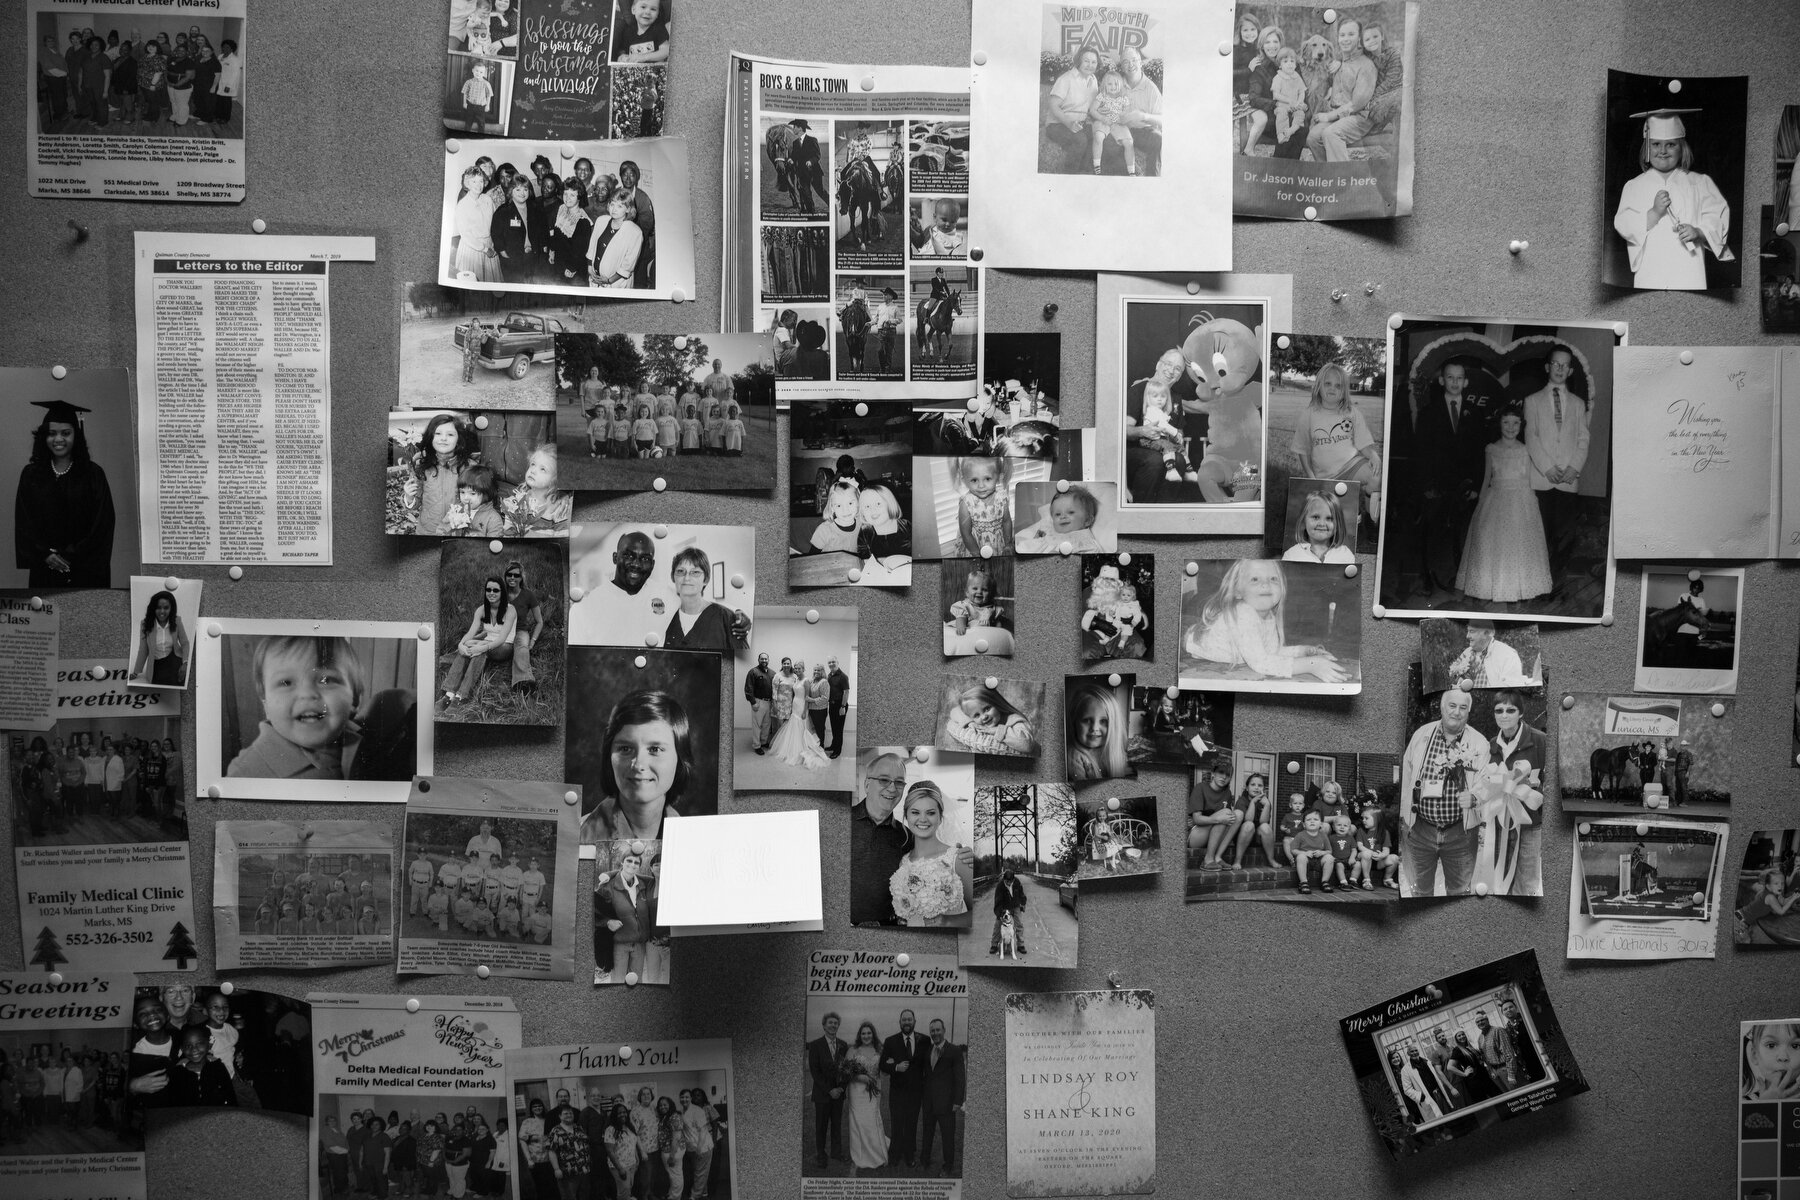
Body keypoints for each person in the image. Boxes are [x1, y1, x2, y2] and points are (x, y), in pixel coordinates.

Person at [1612, 108, 1732, 290]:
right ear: (1646, 148)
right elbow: (1623, 223)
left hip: (1688, 267)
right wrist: (1653, 213)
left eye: (1671, 145)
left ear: (1682, 148)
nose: (1663, 151)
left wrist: (1699, 232)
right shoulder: (1634, 186)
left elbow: (1717, 215)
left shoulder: (1699, 183)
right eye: (1656, 144)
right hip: (1651, 268)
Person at [226, 636, 369, 780]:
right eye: (286, 682)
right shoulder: (246, 773)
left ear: (355, 700)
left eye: (327, 680)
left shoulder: (370, 745)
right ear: (266, 705)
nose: (307, 694)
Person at [1183, 560, 1348, 683]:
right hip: (1183, 636)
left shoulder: (1268, 615)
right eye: (1255, 579)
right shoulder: (1243, 612)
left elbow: (1270, 652)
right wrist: (1312, 665)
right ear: (1238, 592)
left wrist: (1304, 651)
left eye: (1273, 579)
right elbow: (1261, 662)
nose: (1265, 585)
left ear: (1282, 587)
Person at [1454, 405, 1553, 602]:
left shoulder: (1526, 450)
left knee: (1519, 546)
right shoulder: (1491, 449)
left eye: (1515, 423)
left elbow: (1529, 478)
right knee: (1491, 543)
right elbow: (1486, 479)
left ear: (1521, 425)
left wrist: (1533, 503)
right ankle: (1490, 586)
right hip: (1496, 500)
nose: (1511, 427)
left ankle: (1519, 588)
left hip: (1521, 501)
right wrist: (1480, 505)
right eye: (1506, 422)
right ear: (1499, 424)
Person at [14, 399, 116, 587]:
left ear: (76, 436)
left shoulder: (93, 474)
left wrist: (69, 555)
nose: (58, 439)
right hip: (45, 567)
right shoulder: (31, 474)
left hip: (86, 570)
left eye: (66, 433)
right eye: (52, 434)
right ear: (43, 437)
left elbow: (102, 524)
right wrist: (45, 554)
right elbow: (24, 522)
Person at [1399, 687, 1489, 897]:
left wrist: (1475, 797)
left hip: (1461, 834)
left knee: (1458, 895)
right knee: (1419, 894)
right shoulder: (1421, 735)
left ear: (1468, 712)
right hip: (1420, 830)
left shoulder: (1479, 743)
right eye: (1452, 706)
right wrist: (1405, 818)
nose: (1457, 712)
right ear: (1442, 707)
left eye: (1463, 708)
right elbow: (1406, 775)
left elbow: (1486, 779)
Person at [1522, 347, 1590, 582]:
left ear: (1570, 370)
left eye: (1565, 365)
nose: (1560, 369)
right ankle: (1537, 580)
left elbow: (1583, 439)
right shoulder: (1532, 401)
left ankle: (1555, 582)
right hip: (1542, 479)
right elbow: (1531, 437)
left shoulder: (1578, 404)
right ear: (1547, 367)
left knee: (1564, 536)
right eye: (1555, 364)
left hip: (1568, 480)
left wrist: (1574, 468)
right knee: (1540, 534)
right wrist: (1548, 468)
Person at [1290, 360, 1382, 525]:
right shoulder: (1309, 415)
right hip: (1326, 475)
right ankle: (1353, 508)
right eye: (1328, 384)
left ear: (1344, 390)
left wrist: (1373, 455)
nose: (1332, 388)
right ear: (1319, 386)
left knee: (1377, 477)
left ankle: (1372, 520)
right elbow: (1302, 450)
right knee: (1338, 519)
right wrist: (1312, 478)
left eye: (1338, 386)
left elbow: (1363, 443)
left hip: (1351, 466)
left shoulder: (1352, 413)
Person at [889, 781, 973, 926]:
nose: (923, 819)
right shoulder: (903, 862)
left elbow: (979, 916)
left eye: (931, 813)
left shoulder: (958, 859)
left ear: (940, 817)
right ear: (906, 815)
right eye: (915, 812)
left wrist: (948, 921)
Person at [1306, 18, 1376, 162]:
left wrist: (1329, 116)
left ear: (1360, 38)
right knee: (1313, 137)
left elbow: (1357, 104)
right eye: (1342, 35)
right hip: (1337, 115)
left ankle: (1341, 178)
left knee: (1332, 133)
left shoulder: (1366, 66)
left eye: (1351, 34)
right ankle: (1327, 175)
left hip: (1358, 117)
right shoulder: (1338, 63)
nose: (1345, 39)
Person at [440, 575, 516, 707]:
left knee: (477, 651)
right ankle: (449, 695)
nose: (491, 593)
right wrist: (461, 645)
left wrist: (480, 647)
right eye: (489, 590)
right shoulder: (481, 609)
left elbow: (502, 639)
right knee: (466, 647)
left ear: (502, 592)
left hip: (504, 647)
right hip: (486, 643)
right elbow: (471, 632)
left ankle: (461, 697)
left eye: (495, 590)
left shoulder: (510, 610)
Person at [661, 547, 749, 653]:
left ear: (706, 580)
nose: (687, 578)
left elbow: (742, 661)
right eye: (680, 571)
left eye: (695, 572)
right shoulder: (666, 617)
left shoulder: (726, 618)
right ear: (672, 577)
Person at [413, 414, 481, 536]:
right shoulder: (422, 465)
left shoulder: (469, 467)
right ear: (430, 437)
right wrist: (408, 497)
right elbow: (415, 502)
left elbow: (478, 501)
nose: (443, 438)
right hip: (428, 532)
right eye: (438, 434)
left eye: (450, 434)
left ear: (459, 439)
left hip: (458, 533)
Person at [880, 1011, 929, 1168]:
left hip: (916, 1093)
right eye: (904, 1020)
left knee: (911, 1124)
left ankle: (909, 1154)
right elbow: (882, 1064)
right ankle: (894, 1154)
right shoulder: (890, 1041)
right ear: (899, 1022)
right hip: (897, 1092)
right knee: (897, 1123)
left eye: (909, 1019)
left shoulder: (925, 1040)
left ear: (915, 1021)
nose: (906, 1022)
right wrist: (895, 1066)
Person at [841, 1021, 888, 1174]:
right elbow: (846, 1070)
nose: (866, 1036)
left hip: (873, 1092)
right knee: (858, 1122)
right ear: (859, 1035)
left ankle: (877, 1154)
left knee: (872, 1122)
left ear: (872, 1034)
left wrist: (890, 1065)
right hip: (856, 1091)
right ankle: (859, 1156)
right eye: (863, 1033)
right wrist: (861, 1077)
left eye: (868, 1033)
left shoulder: (879, 1049)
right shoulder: (853, 1050)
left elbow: (884, 1072)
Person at [1042, 46, 1101, 169]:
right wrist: (1069, 124)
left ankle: (1084, 172)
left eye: (1093, 62)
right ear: (1079, 60)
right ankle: (1070, 174)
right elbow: (1054, 105)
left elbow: (1093, 106)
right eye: (1086, 61)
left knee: (1098, 136)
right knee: (1080, 140)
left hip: (1080, 123)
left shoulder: (1093, 80)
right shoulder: (1066, 79)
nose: (1090, 65)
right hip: (1057, 124)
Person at [919, 1019, 964, 1176]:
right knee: (927, 1133)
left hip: (947, 1104)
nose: (935, 1033)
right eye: (932, 1031)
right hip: (929, 1102)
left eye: (938, 1030)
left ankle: (947, 1166)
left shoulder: (954, 1050)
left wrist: (958, 1101)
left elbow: (960, 1078)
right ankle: (924, 1161)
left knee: (947, 1137)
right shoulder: (927, 1050)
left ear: (944, 1030)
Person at [944, 681, 1037, 756]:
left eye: (987, 708)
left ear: (997, 703)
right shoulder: (974, 722)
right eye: (977, 715)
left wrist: (997, 730)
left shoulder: (1014, 720)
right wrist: (969, 722)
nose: (984, 717)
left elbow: (1027, 745)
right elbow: (954, 711)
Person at [770, 660, 831, 769]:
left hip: (802, 706)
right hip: (795, 705)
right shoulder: (796, 679)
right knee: (794, 726)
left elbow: (807, 698)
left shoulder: (806, 681)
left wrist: (804, 711)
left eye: (799, 668)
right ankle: (792, 748)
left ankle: (801, 749)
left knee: (801, 726)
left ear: (803, 669)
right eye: (796, 668)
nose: (797, 670)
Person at [500, 445, 571, 537]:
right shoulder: (515, 501)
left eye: (543, 469)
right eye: (533, 464)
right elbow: (508, 533)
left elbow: (562, 542)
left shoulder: (558, 509)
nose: (533, 470)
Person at [1065, 680, 1129, 781]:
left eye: (1103, 721)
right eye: (1086, 720)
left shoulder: (1116, 752)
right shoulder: (1073, 758)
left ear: (1114, 725)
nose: (1094, 728)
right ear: (1074, 722)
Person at [807, 1013, 848, 1168]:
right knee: (821, 1126)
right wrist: (830, 1089)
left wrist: (841, 1088)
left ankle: (836, 1153)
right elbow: (815, 1071)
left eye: (836, 1023)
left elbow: (847, 1070)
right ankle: (821, 1155)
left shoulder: (844, 1045)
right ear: (824, 1025)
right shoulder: (815, 1044)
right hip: (822, 1094)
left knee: (836, 1125)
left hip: (838, 1094)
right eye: (830, 1022)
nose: (833, 1025)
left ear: (838, 1026)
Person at [950, 456, 1012, 557]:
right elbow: (966, 534)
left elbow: (1006, 521)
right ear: (965, 480)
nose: (981, 486)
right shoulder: (966, 503)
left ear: (999, 478)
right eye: (974, 480)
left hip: (997, 543)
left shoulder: (1002, 498)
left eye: (987, 479)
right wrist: (977, 555)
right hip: (974, 546)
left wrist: (1008, 543)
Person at [1014, 485, 1104, 554]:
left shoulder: (1084, 541)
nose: (1062, 516)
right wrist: (1037, 539)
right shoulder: (1049, 528)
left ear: (1087, 520)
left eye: (1071, 512)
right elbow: (1034, 544)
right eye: (1057, 514)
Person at [129, 589, 190, 686]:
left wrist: (185, 663)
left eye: (166, 608)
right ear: (153, 608)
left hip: (174, 658)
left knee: (180, 681)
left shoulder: (176, 621)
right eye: (158, 607)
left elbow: (185, 643)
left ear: (171, 609)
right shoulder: (145, 624)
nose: (162, 611)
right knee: (159, 683)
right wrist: (136, 672)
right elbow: (143, 650)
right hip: (157, 662)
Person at [451, 166, 502, 282]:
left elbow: (495, 223)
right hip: (472, 249)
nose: (478, 185)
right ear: (467, 183)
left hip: (490, 245)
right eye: (474, 181)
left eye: (481, 181)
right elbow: (466, 234)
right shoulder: (462, 205)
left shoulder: (488, 199)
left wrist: (495, 244)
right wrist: (484, 249)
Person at [1282, 489, 1356, 564]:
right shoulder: (1291, 555)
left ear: (1338, 524)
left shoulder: (1345, 555)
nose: (1322, 524)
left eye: (1329, 518)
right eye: (1316, 517)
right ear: (1303, 521)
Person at [1087, 69, 1138, 174]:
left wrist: (1122, 116)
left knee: (1129, 143)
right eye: (1109, 84)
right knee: (1098, 137)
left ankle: (1131, 171)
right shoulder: (1102, 96)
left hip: (1118, 123)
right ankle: (1096, 165)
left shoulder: (1123, 98)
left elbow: (1127, 111)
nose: (1113, 86)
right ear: (1105, 85)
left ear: (1121, 85)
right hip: (1103, 121)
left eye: (1116, 84)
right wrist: (1102, 118)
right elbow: (1092, 110)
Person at [1448, 620, 1529, 687]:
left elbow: (1511, 686)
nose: (1467, 636)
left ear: (1487, 633)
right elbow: (1455, 680)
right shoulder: (1467, 652)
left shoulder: (1507, 654)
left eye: (1472, 631)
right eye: (1468, 631)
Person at [490, 178, 540, 284]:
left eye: (525, 189)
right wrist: (503, 253)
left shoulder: (535, 208)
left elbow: (540, 231)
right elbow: (496, 234)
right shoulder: (503, 211)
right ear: (510, 192)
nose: (522, 193)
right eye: (518, 190)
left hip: (531, 257)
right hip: (512, 259)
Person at [856, 485, 910, 571]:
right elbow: (864, 558)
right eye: (867, 506)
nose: (873, 510)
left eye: (878, 504)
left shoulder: (906, 526)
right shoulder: (865, 531)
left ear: (890, 504)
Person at [1742, 1023, 1800, 1100]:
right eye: (1771, 1045)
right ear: (1754, 1055)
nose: (1783, 1057)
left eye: (1795, 1046)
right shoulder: (1745, 1102)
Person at [1271, 48, 1308, 143]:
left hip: (1295, 105)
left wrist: (1300, 102)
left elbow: (1301, 91)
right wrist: (1289, 101)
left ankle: (1291, 130)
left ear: (1295, 64)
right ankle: (1281, 134)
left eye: (1292, 61)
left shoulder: (1297, 76)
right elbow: (1276, 95)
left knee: (1301, 114)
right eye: (1285, 61)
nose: (1289, 64)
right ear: (1280, 65)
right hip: (1283, 105)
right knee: (1281, 115)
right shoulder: (1278, 78)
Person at [988, 869, 1028, 957]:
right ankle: (994, 945)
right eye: (1006, 881)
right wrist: (999, 915)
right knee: (998, 924)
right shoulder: (1000, 886)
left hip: (1015, 905)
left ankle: (1020, 945)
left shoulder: (1017, 882)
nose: (1008, 883)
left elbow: (1021, 894)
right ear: (1004, 879)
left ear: (1013, 880)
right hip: (1005, 906)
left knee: (1019, 924)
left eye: (1010, 881)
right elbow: (997, 902)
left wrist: (1023, 903)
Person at [825, 658, 851, 758]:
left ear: (837, 663)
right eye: (829, 662)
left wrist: (843, 706)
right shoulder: (829, 675)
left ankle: (837, 751)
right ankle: (833, 745)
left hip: (840, 705)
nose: (831, 664)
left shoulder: (843, 676)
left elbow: (846, 692)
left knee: (839, 730)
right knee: (834, 728)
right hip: (832, 705)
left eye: (833, 662)